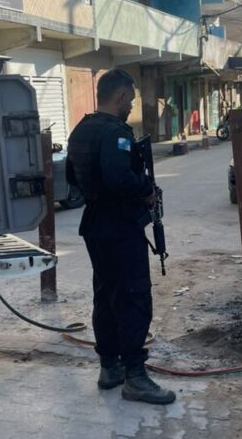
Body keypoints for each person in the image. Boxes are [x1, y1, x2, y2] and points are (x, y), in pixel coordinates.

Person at [66, 69, 175, 405]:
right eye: (130, 97)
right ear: (120, 96)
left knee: (107, 294)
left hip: (96, 225)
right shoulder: (116, 132)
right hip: (119, 227)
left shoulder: (81, 129)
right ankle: (136, 377)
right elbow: (118, 178)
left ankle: (109, 366)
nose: (131, 104)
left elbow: (72, 175)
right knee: (133, 296)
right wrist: (145, 189)